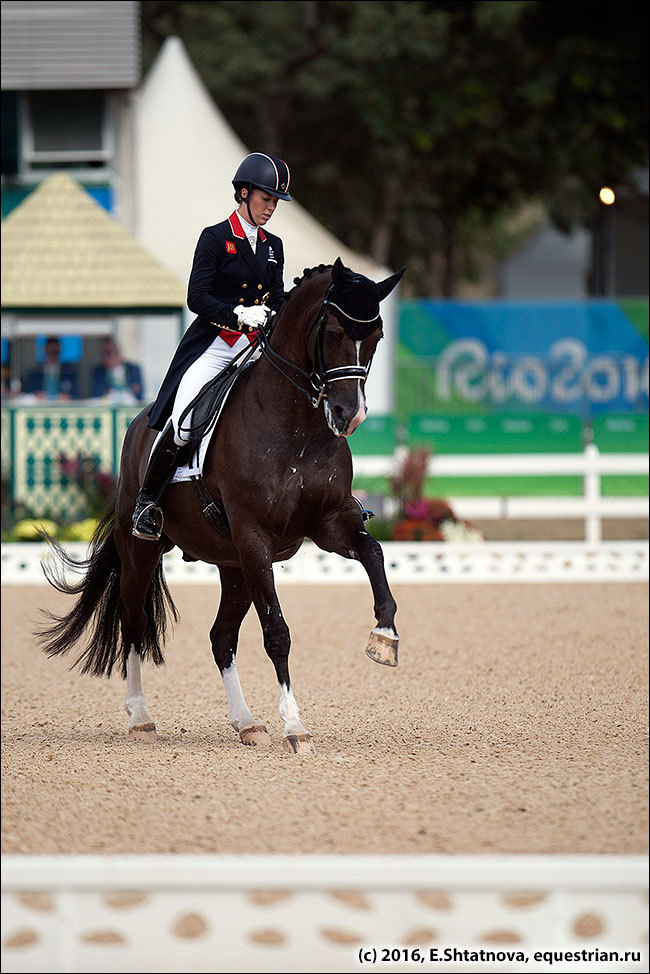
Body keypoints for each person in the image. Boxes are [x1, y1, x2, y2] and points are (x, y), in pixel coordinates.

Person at [132, 152, 291, 540]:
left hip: (255, 349)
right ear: (243, 193)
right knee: (184, 422)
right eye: (265, 198)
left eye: (274, 201)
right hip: (216, 344)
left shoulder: (274, 246)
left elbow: (276, 295)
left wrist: (279, 310)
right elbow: (196, 297)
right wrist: (238, 315)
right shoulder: (216, 238)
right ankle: (147, 504)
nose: (270, 207)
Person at [92, 338, 143, 403]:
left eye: (112, 352)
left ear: (119, 352)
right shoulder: (98, 372)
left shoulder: (133, 369)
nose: (110, 357)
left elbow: (139, 393)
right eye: (105, 354)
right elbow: (97, 394)